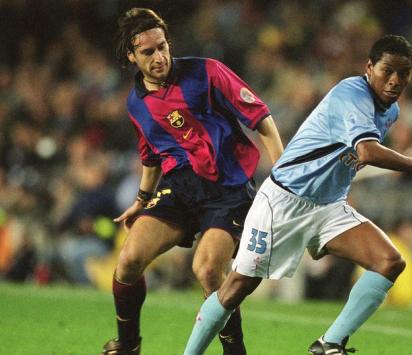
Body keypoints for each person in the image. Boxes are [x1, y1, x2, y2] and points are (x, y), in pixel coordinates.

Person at [182, 34, 412, 355]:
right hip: (283, 201)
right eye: (388, 70)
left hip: (327, 206)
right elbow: (368, 152)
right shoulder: (351, 93)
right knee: (236, 288)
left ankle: (329, 344)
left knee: (389, 261)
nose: (395, 80)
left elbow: (352, 156)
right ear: (369, 67)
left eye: (404, 73)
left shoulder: (391, 111)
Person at [102, 8, 283, 355]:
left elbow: (262, 118)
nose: (159, 57)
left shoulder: (206, 71)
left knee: (208, 270)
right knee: (127, 261)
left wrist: (282, 178)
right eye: (148, 52)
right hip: (180, 187)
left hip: (228, 187)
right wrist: (141, 200)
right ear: (131, 56)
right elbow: (151, 154)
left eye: (162, 47)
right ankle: (128, 345)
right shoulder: (135, 102)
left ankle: (235, 352)